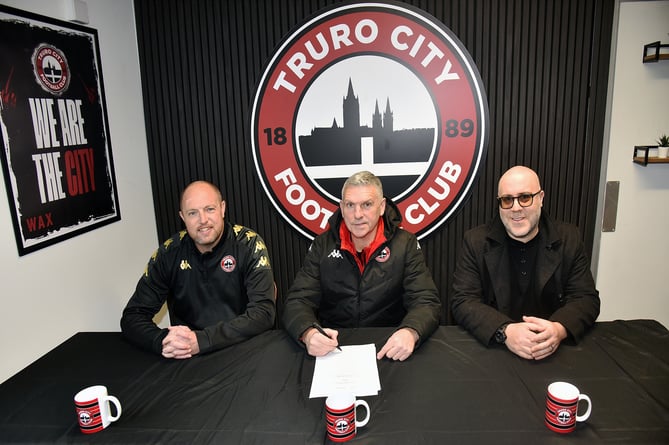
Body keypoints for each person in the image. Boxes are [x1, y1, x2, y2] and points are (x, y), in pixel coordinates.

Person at [282, 171, 441, 361]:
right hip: (333, 349)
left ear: (381, 206)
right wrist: (308, 332)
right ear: (341, 207)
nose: (357, 215)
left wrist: (410, 331)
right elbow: (297, 301)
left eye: (367, 204)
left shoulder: (405, 244)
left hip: (389, 347)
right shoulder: (322, 245)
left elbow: (426, 300)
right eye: (350, 205)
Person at [451, 166, 600, 360]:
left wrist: (558, 329)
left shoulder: (568, 238)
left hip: (552, 352)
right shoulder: (475, 241)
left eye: (525, 197)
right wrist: (505, 332)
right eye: (507, 200)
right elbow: (463, 301)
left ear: (541, 198)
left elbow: (586, 298)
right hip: (496, 352)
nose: (515, 208)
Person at [121, 180, 276, 359]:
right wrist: (162, 340)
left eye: (209, 209)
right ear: (182, 217)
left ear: (223, 208)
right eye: (193, 213)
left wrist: (202, 340)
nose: (203, 220)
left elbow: (263, 313)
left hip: (244, 350)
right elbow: (132, 316)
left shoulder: (249, 244)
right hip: (188, 356)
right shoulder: (168, 253)